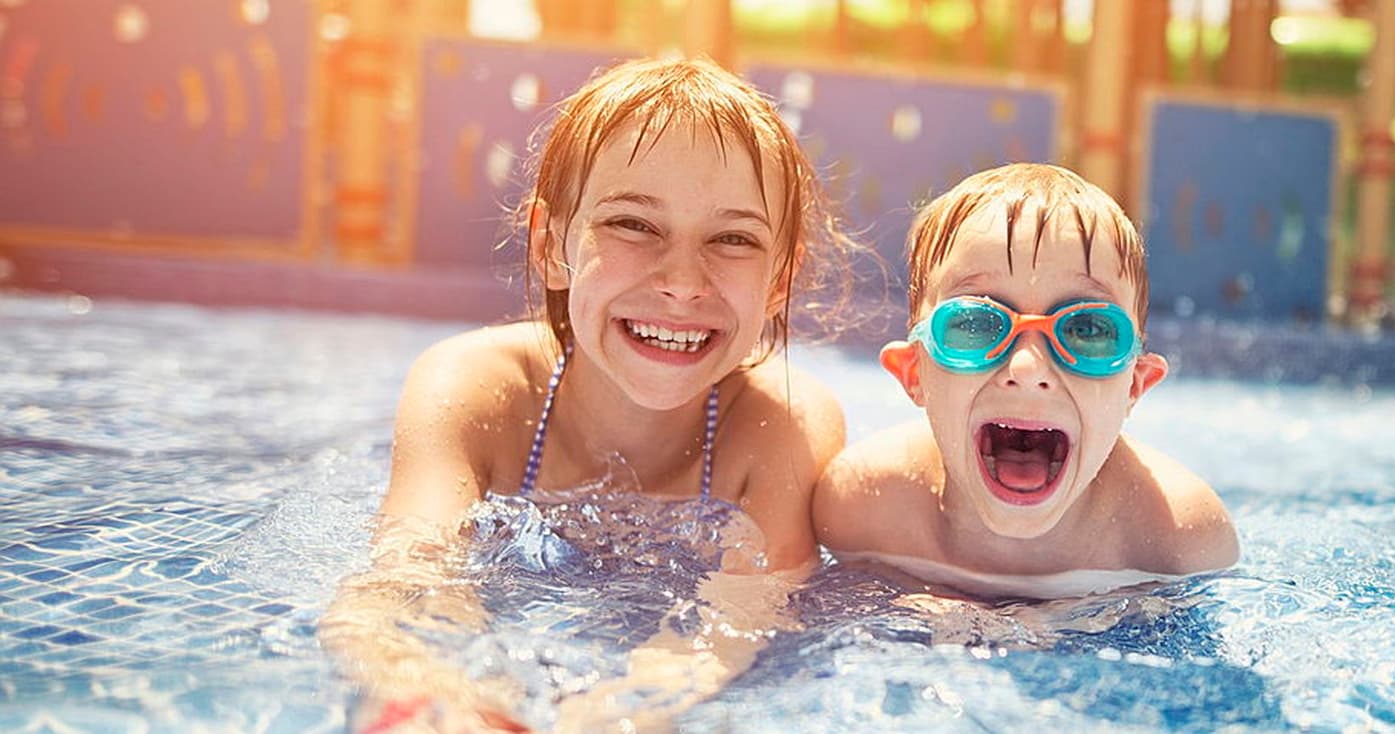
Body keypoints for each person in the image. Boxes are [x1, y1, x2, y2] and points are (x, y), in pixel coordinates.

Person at [320, 57, 853, 732]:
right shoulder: (478, 391)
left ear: (780, 280)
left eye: (733, 238)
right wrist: (431, 687)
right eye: (633, 225)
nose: (683, 280)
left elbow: (736, 620)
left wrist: (622, 713)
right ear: (551, 244)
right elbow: (408, 574)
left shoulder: (783, 426)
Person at [813, 163, 1238, 601]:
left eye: (1087, 329)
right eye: (976, 323)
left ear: (1135, 384)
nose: (1028, 369)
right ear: (914, 372)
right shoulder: (861, 511)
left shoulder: (1178, 544)